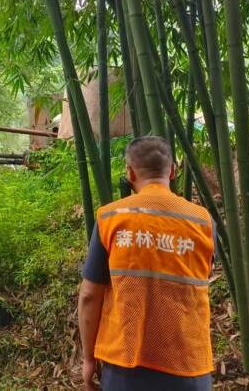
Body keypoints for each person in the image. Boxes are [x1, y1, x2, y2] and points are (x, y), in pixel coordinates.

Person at [78, 136, 215, 390]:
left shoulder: (112, 217)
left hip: (126, 366)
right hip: (189, 366)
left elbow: (89, 295)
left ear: (130, 172)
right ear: (172, 171)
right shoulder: (202, 221)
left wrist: (88, 359)